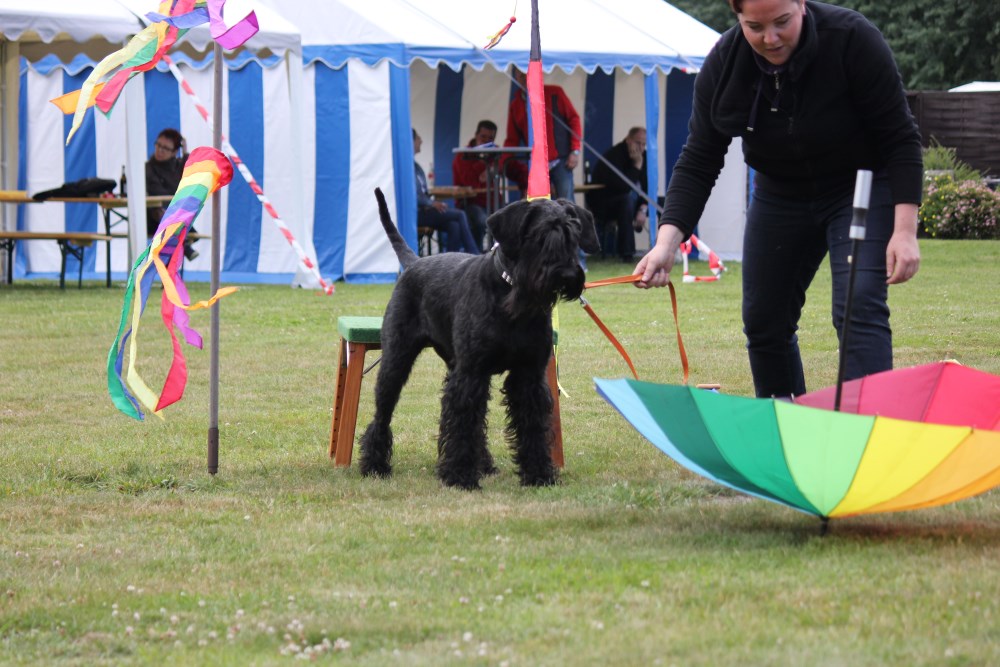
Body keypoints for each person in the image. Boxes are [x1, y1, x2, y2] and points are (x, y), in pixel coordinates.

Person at [635, 0, 922, 398]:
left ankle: (870, 431)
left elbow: (901, 138)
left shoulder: (853, 39)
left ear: (801, 4)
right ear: (737, 18)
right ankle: (784, 425)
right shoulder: (724, 65)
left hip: (860, 187)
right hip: (780, 192)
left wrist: (904, 231)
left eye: (782, 22)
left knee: (859, 308)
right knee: (764, 321)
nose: (770, 38)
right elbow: (700, 158)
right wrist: (667, 242)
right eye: (755, 26)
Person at [503, 68, 582, 201]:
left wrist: (575, 151)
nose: (526, 79)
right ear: (516, 78)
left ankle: (570, 223)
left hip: (561, 161)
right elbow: (512, 139)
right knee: (539, 207)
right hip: (536, 165)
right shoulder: (515, 105)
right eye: (522, 76)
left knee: (567, 205)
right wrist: (503, 161)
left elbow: (574, 120)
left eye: (529, 75)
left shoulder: (555, 93)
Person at [587, 127, 649, 262]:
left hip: (632, 202)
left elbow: (649, 188)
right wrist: (637, 165)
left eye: (644, 144)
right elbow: (624, 187)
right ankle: (627, 253)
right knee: (626, 201)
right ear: (628, 140)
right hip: (605, 203)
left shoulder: (645, 156)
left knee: (663, 202)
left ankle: (669, 249)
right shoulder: (614, 155)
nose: (641, 147)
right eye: (638, 143)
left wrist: (643, 209)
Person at [413, 130, 480, 254]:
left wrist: (430, 203)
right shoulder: (407, 167)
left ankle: (450, 266)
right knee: (460, 215)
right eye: (418, 138)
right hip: (415, 213)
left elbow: (423, 193)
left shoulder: (416, 166)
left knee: (454, 225)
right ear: (411, 142)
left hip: (424, 210)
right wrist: (429, 203)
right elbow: (412, 196)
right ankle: (475, 254)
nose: (421, 141)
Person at [146, 128, 199, 260]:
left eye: (165, 148)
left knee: (170, 212)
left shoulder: (178, 166)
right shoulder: (148, 167)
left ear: (175, 152)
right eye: (158, 145)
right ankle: (184, 244)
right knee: (160, 210)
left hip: (174, 217)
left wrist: (186, 153)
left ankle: (183, 242)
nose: (160, 150)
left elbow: (191, 181)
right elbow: (156, 191)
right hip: (153, 219)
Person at [451, 120, 498, 251]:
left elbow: (512, 167)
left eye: (490, 138)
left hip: (492, 201)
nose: (485, 141)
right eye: (483, 137)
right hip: (469, 203)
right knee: (481, 220)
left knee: (510, 218)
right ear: (476, 135)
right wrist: (486, 165)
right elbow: (470, 183)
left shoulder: (497, 153)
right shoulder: (462, 155)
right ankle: (477, 255)